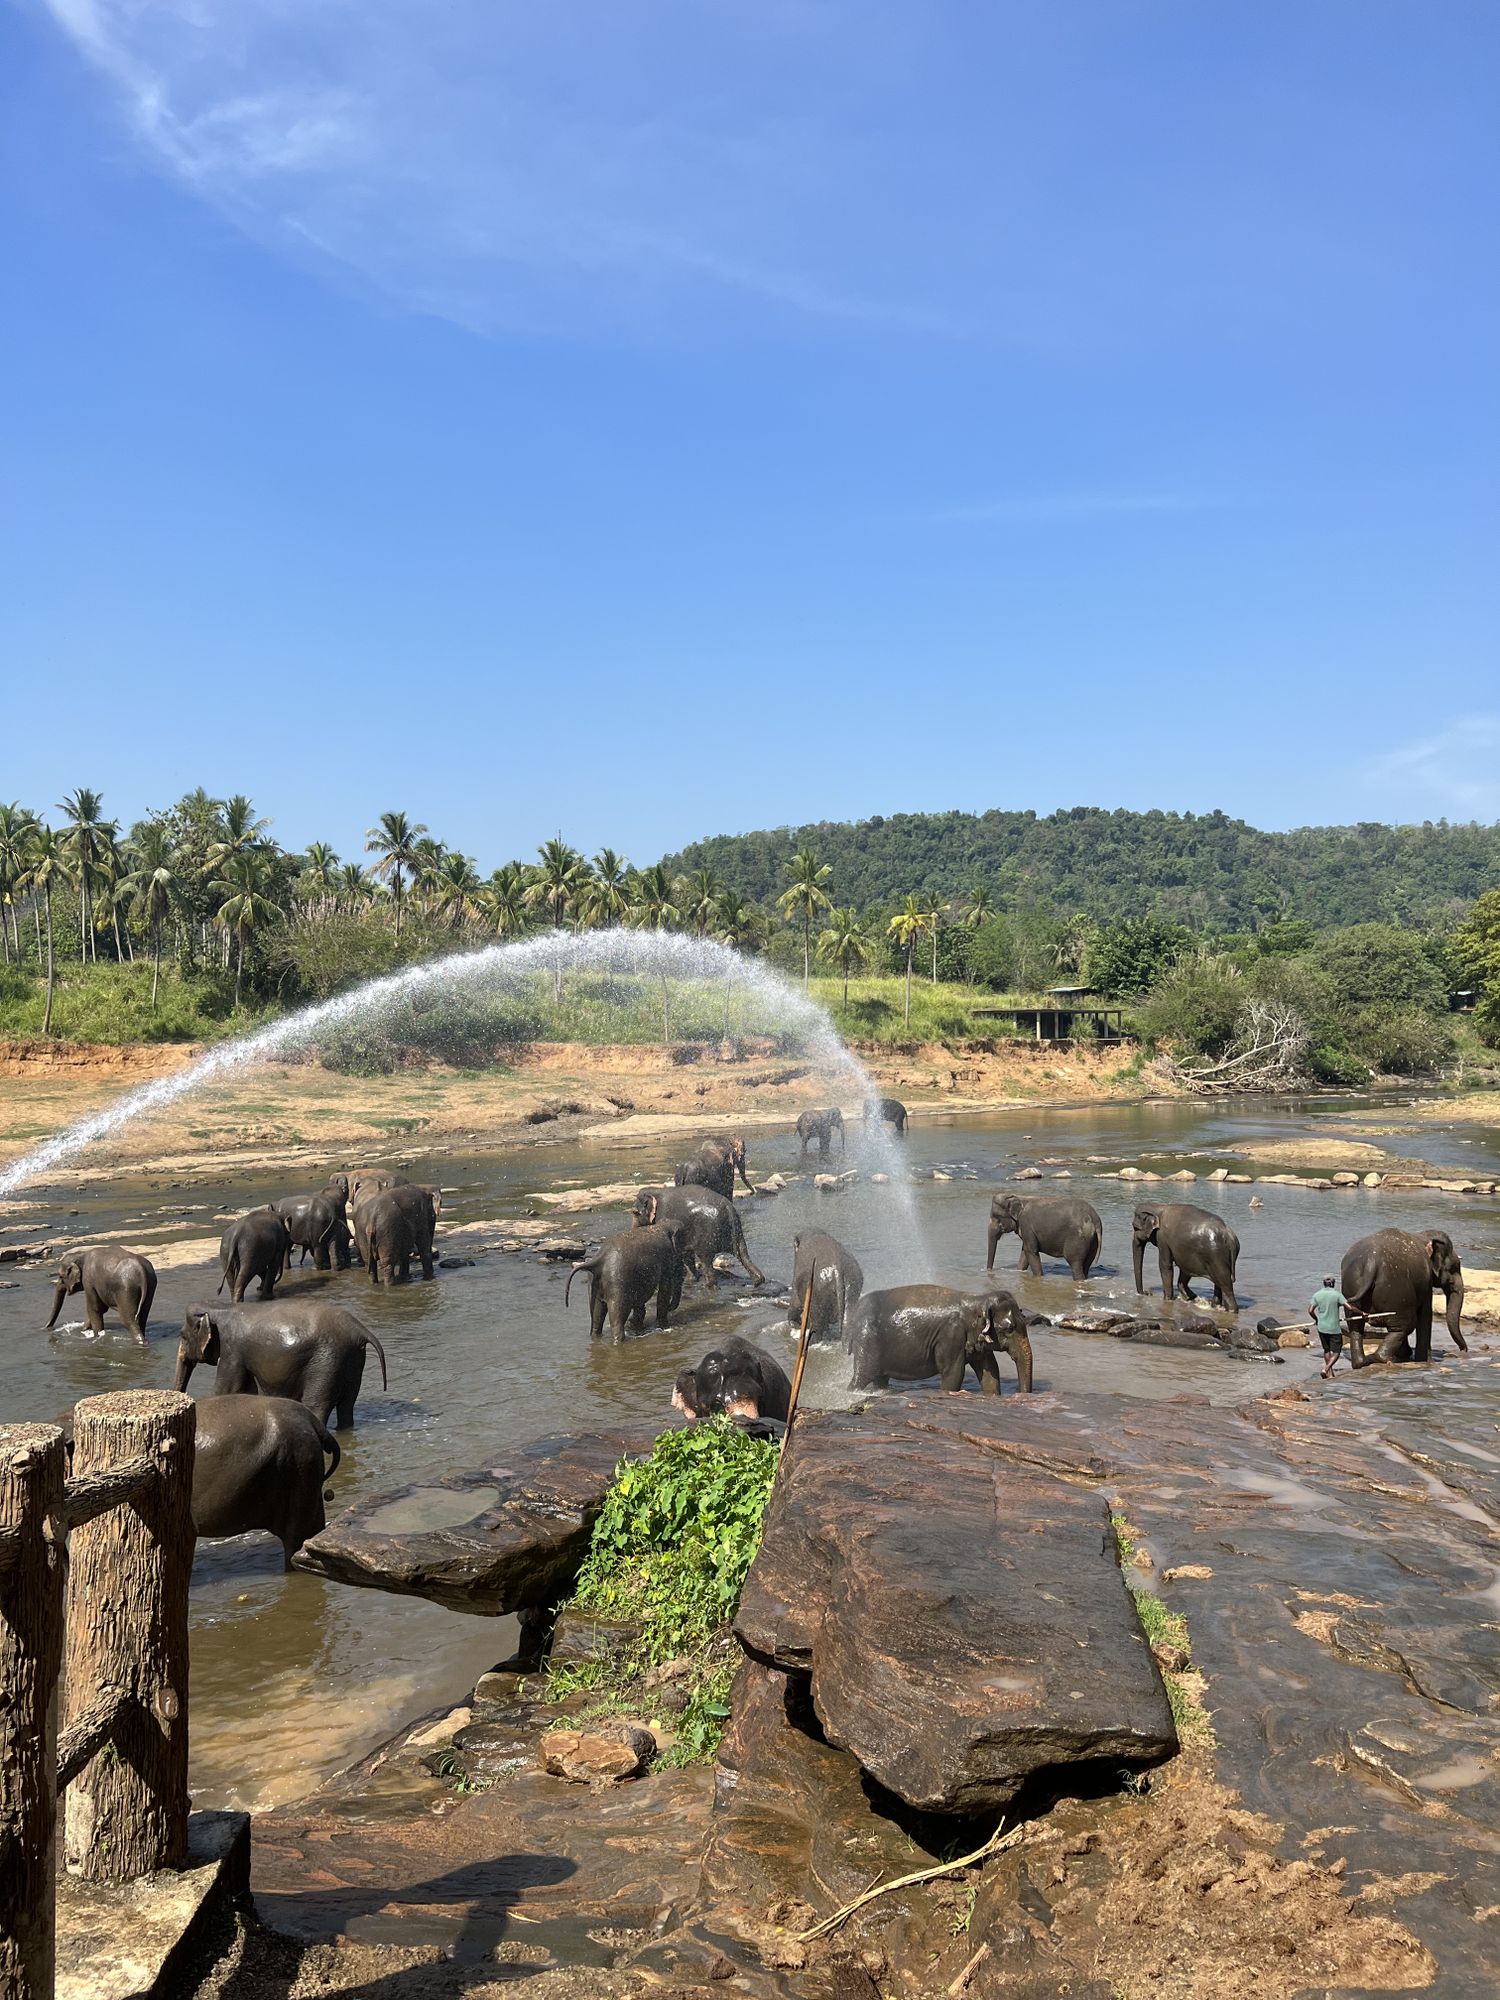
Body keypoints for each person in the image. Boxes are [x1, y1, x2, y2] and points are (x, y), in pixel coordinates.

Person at [1309, 1274, 1349, 1379]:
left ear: (1324, 1283)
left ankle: (1330, 1374)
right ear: (1333, 1284)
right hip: (1334, 1328)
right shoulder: (1337, 1295)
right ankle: (1326, 1369)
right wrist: (1362, 1313)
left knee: (1326, 1350)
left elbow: (1310, 1310)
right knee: (1336, 1352)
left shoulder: (1317, 1295)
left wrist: (1317, 1319)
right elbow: (1349, 1307)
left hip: (1321, 1327)